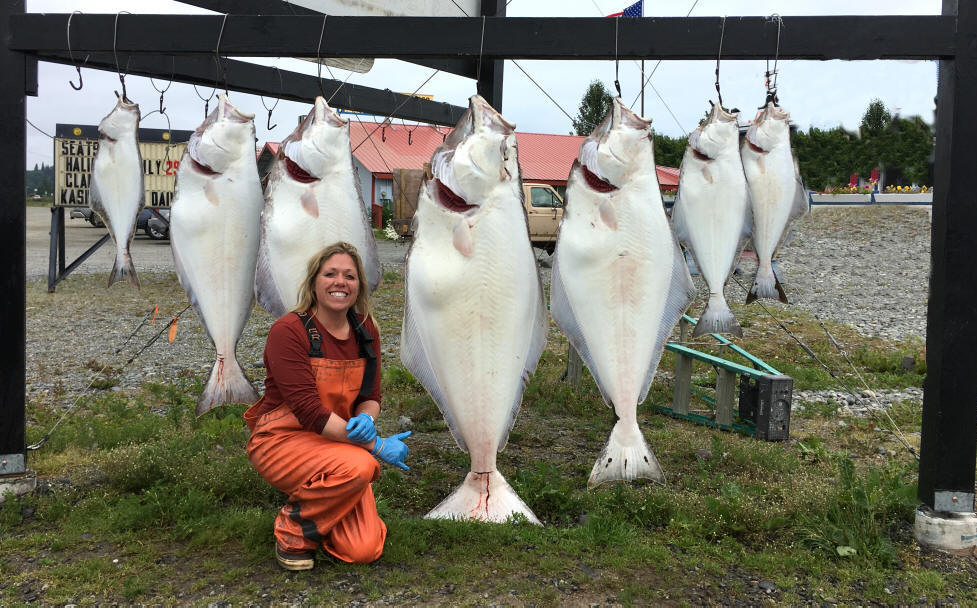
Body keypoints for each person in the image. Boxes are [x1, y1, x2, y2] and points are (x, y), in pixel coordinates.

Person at [243, 242, 411, 571]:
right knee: (361, 466)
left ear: (359, 285)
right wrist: (374, 444)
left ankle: (322, 505)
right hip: (281, 441)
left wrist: (365, 419)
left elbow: (370, 395)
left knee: (363, 550)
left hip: (338, 443)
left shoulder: (367, 331)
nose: (340, 282)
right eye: (330, 273)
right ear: (314, 282)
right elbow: (310, 412)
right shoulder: (288, 331)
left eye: (349, 276)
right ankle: (292, 532)